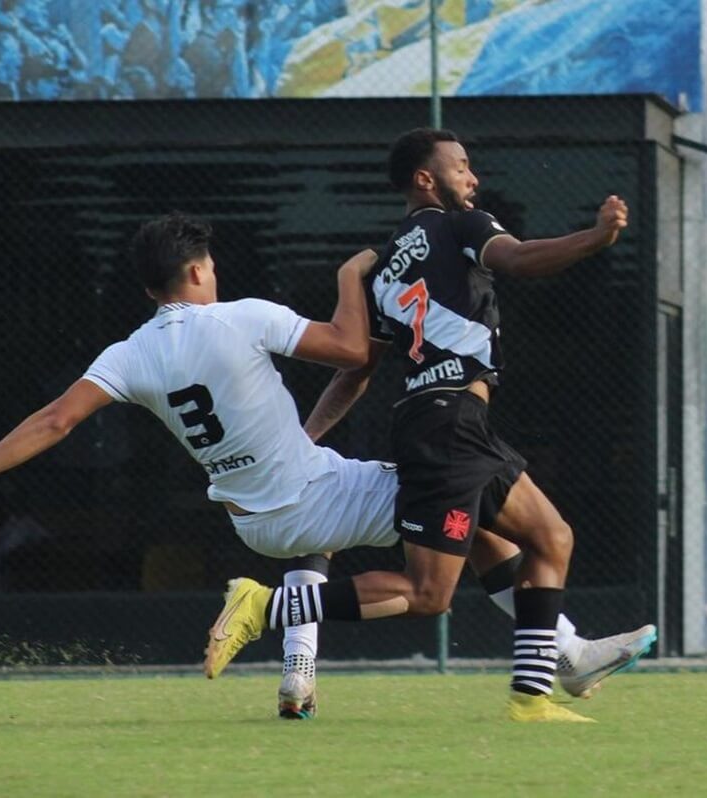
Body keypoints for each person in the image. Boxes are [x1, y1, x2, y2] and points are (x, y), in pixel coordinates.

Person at [0, 211, 649, 718]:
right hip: (313, 500)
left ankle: (567, 651)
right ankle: (272, 608)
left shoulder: (128, 353)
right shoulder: (241, 317)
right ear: (197, 271)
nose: (216, 274)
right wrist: (353, 278)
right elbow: (354, 351)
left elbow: (54, 420)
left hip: (256, 520)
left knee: (479, 517)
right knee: (436, 574)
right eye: (212, 265)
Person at [200, 128, 640, 723]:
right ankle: (266, 606)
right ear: (426, 180)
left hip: (445, 423)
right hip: (450, 424)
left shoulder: (384, 269)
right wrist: (596, 237)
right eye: (462, 167)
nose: (473, 178)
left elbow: (355, 373)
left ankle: (536, 692)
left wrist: (307, 436)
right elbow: (519, 258)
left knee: (550, 537)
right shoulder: (461, 225)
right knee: (430, 594)